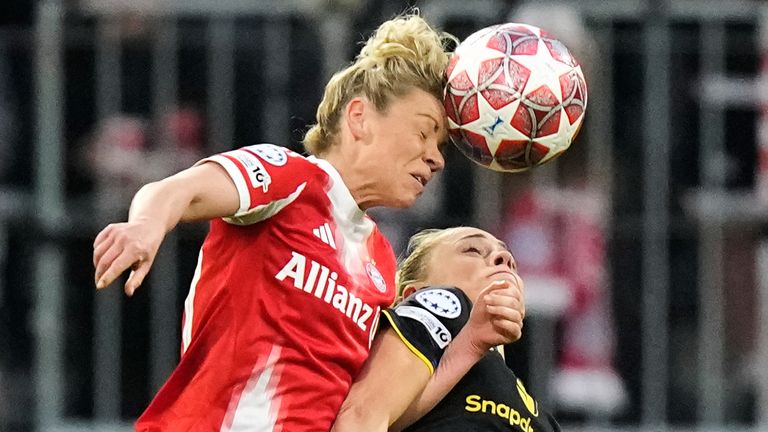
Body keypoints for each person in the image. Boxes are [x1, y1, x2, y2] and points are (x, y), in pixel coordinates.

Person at [92, 11, 461, 432]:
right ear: (359, 118)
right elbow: (177, 190)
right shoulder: (291, 178)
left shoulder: (381, 263)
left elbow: (370, 408)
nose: (436, 157)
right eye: (424, 132)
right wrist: (145, 226)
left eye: (441, 143)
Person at [332, 227, 561, 432]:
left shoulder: (541, 417)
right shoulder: (445, 302)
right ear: (413, 294)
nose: (506, 258)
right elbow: (361, 416)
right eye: (472, 250)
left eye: (510, 260)